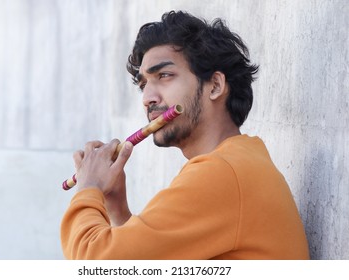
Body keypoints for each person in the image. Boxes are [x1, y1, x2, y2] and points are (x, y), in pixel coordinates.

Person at [60, 10, 309, 259]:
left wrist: (88, 187)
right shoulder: (237, 162)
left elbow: (92, 263)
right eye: (143, 85)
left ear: (215, 86)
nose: (148, 98)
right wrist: (116, 209)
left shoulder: (223, 172)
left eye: (164, 76)